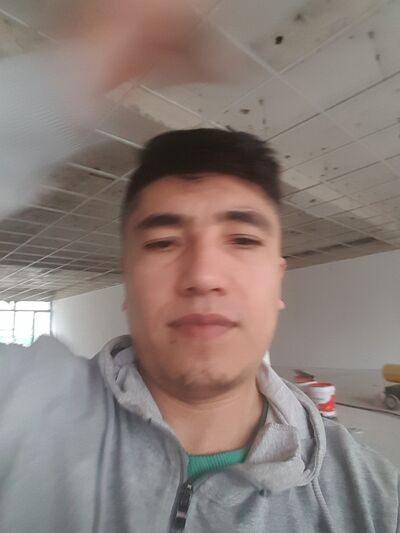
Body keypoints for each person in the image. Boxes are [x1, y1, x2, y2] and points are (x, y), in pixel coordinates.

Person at [0, 2, 399, 532]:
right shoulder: (21, 414)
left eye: (242, 239)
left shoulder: (369, 501)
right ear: (127, 280)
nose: (203, 275)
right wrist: (76, 73)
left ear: (278, 279)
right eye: (163, 242)